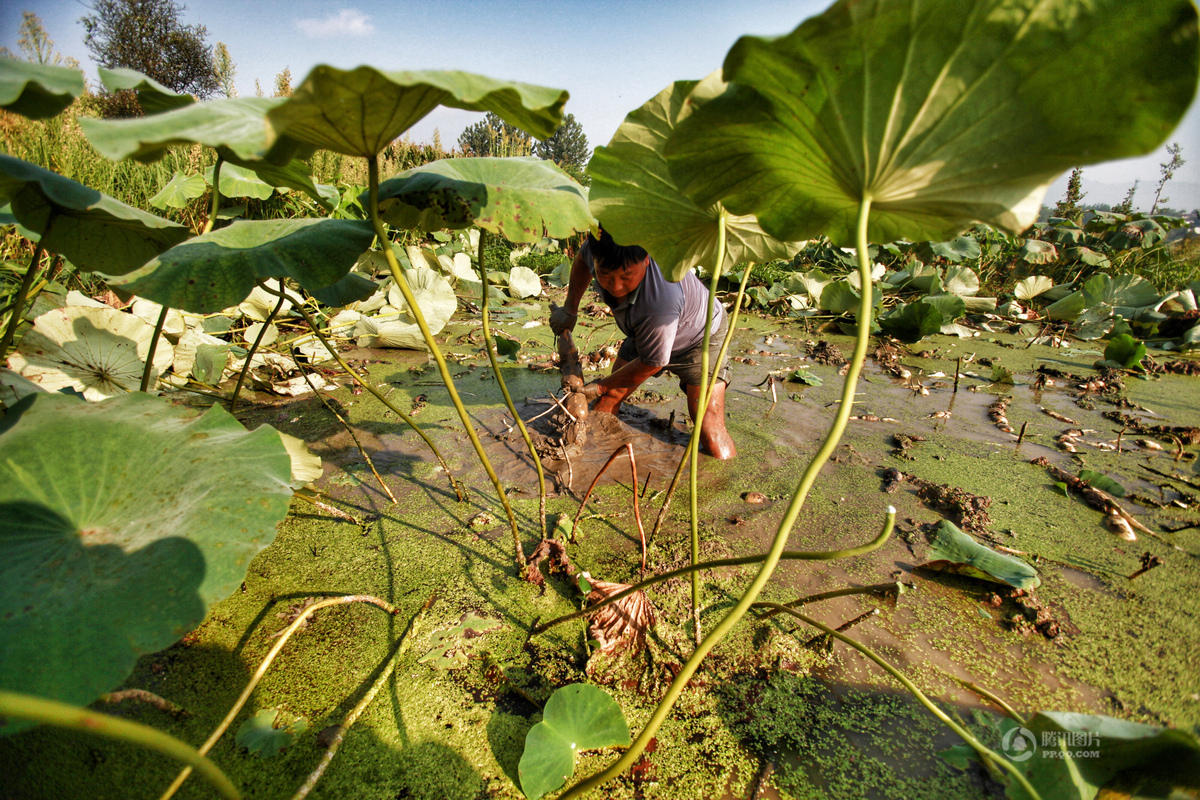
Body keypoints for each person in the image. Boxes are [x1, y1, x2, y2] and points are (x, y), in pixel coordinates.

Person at [549, 228, 736, 460]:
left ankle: (723, 476)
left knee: (709, 431)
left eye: (626, 277)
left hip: (698, 337)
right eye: (606, 276)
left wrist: (600, 385)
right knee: (607, 401)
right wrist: (570, 308)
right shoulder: (600, 248)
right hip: (644, 333)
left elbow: (653, 362)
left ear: (646, 259)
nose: (616, 288)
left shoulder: (661, 300)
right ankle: (594, 456)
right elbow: (581, 261)